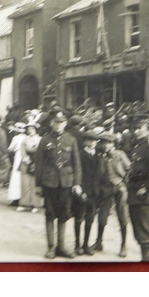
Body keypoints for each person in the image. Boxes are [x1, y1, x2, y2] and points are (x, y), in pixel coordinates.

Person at [35, 110, 82, 259]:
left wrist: (77, 183)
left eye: (61, 122)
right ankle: (50, 247)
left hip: (66, 183)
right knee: (50, 214)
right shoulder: (44, 140)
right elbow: (39, 164)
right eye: (56, 122)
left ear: (65, 123)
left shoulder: (71, 139)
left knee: (64, 214)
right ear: (51, 123)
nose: (58, 125)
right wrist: (38, 184)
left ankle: (61, 246)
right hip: (49, 182)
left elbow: (77, 163)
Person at [126, 115, 149, 261]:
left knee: (145, 234)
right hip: (134, 193)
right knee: (139, 232)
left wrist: (147, 188)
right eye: (134, 128)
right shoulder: (137, 144)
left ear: (146, 128)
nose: (136, 131)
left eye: (139, 128)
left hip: (144, 195)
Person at [90, 132, 131, 258]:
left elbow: (130, 169)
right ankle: (98, 242)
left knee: (122, 216)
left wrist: (125, 184)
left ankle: (123, 245)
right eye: (103, 142)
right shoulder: (100, 156)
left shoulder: (119, 154)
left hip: (119, 188)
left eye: (108, 143)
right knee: (102, 217)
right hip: (105, 189)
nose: (106, 145)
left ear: (113, 144)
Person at [73, 130, 101, 256]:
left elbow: (100, 174)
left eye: (94, 140)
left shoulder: (99, 155)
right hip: (83, 191)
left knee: (90, 218)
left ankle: (86, 244)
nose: (91, 143)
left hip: (94, 193)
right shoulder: (80, 155)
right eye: (89, 140)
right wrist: (81, 191)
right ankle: (77, 244)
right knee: (79, 218)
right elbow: (79, 174)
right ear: (85, 141)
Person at [18, 122, 42, 213]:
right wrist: (27, 160)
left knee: (35, 184)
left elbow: (41, 152)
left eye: (32, 129)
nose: (30, 131)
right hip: (26, 163)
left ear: (36, 130)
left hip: (37, 163)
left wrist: (36, 162)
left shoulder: (40, 139)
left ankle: (35, 205)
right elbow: (22, 151)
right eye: (28, 129)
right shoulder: (24, 140)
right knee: (25, 184)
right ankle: (24, 204)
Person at [7, 122, 27, 209]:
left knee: (16, 177)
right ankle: (23, 198)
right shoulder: (26, 138)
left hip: (18, 157)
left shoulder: (16, 138)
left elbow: (10, 148)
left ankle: (15, 198)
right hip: (25, 157)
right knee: (23, 177)